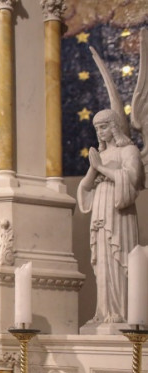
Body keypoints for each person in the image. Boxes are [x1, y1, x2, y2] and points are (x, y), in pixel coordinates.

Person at [77, 109, 144, 325]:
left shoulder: (129, 151)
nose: (100, 132)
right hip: (100, 209)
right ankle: (103, 311)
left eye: (104, 126)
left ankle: (121, 313)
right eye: (97, 128)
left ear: (115, 127)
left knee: (118, 258)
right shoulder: (102, 155)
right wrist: (94, 168)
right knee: (102, 260)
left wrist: (100, 168)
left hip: (119, 213)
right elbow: (85, 188)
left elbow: (133, 179)